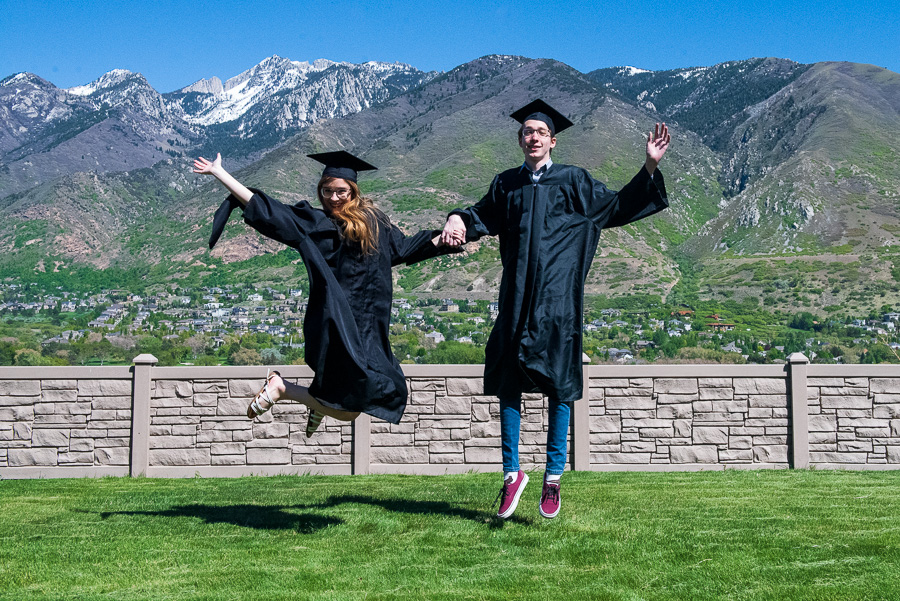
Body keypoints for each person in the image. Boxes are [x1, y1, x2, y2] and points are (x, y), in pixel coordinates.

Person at [440, 99, 671, 519]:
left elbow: (617, 207)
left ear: (553, 141)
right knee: (507, 380)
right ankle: (512, 475)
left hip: (558, 302)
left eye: (541, 132)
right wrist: (457, 217)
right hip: (515, 298)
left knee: (560, 385)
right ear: (520, 139)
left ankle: (552, 478)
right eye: (527, 132)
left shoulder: (573, 181)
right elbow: (479, 216)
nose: (533, 137)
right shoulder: (506, 184)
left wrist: (649, 167)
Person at [194, 150, 458, 436]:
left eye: (341, 191)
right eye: (327, 191)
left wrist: (451, 234)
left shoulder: (376, 223)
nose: (333, 198)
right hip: (337, 322)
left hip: (368, 328)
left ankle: (316, 400)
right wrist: (220, 173)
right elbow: (271, 211)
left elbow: (404, 248)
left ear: (353, 191)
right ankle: (283, 388)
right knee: (352, 409)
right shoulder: (317, 224)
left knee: (378, 393)